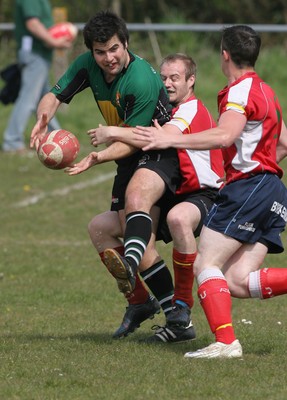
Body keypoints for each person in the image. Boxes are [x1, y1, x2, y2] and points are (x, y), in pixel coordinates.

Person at [133, 25, 287, 357]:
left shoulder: (238, 92)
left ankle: (226, 342)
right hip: (272, 191)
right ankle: (225, 341)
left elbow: (224, 136)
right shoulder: (267, 91)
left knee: (205, 263)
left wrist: (171, 138)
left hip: (249, 187)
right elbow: (284, 142)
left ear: (225, 55)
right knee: (237, 281)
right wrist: (262, 170)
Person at [30, 10, 177, 339]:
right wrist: (42, 119)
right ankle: (140, 302)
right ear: (91, 52)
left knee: (136, 226)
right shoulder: (87, 65)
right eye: (100, 51)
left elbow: (135, 140)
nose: (108, 57)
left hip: (158, 151)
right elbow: (55, 95)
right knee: (100, 230)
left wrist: (96, 157)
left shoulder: (139, 78)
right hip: (128, 154)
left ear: (125, 43)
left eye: (113, 48)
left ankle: (177, 314)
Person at [86, 53, 224, 342]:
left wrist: (112, 131)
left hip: (204, 194)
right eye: (163, 78)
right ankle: (144, 303)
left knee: (178, 218)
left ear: (191, 80)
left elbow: (158, 138)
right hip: (175, 192)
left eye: (175, 78)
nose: (167, 84)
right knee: (101, 227)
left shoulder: (190, 109)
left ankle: (182, 308)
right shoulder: (163, 111)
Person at [2, 0, 72, 153]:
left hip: (40, 55)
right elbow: (32, 23)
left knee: (46, 99)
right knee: (28, 99)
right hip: (34, 55)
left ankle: (54, 137)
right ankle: (12, 141)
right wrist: (53, 41)